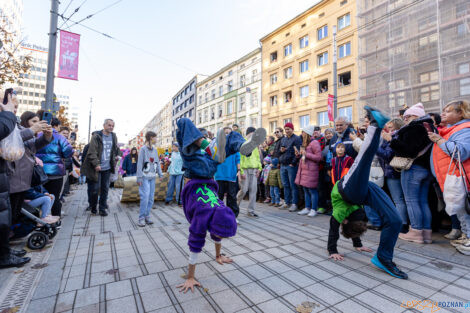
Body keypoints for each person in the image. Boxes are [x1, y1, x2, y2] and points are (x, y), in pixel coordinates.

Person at [175, 118, 265, 293]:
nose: (219, 236)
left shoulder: (218, 212)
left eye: (206, 139)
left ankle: (243, 146)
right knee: (185, 123)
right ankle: (231, 146)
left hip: (204, 169)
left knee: (227, 134)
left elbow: (211, 236)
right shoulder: (209, 215)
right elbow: (196, 245)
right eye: (203, 138)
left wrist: (217, 256)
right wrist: (190, 277)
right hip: (200, 171)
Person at [327, 106, 407, 280]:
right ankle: (383, 257)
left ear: (346, 220)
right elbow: (354, 229)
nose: (363, 217)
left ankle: (374, 124)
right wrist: (358, 245)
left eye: (360, 219)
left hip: (347, 189)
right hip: (365, 192)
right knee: (395, 220)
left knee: (364, 158)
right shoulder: (351, 217)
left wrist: (332, 250)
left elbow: (333, 229)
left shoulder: (340, 213)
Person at [428, 100, 470, 254]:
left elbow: (460, 151)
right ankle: (466, 236)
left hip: (462, 178)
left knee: (465, 209)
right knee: (461, 210)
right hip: (454, 178)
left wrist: (439, 140)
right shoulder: (452, 129)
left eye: (448, 111)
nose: (443, 113)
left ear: (460, 113)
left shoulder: (465, 129)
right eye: (443, 110)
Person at [391, 103, 434, 244]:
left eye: (406, 117)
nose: (405, 120)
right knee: (423, 201)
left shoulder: (414, 127)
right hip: (427, 169)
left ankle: (415, 232)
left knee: (411, 201)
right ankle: (426, 233)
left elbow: (408, 150)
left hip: (413, 168)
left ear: (415, 116)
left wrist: (391, 140)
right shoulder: (429, 127)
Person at [0, 89, 31, 268]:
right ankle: (3, 256)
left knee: (5, 217)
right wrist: (8, 114)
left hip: (5, 176)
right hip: (9, 177)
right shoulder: (7, 118)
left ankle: (4, 251)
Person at [9, 112, 52, 226]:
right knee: (11, 212)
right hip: (14, 177)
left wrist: (46, 137)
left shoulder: (25, 131)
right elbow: (13, 140)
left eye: (38, 121)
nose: (37, 124)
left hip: (24, 179)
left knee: (15, 212)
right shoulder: (17, 129)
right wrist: (32, 130)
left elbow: (33, 147)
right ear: (25, 121)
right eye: (34, 121)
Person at [81, 119, 121, 216]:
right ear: (104, 125)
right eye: (109, 125)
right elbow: (92, 152)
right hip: (96, 168)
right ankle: (93, 206)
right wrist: (96, 164)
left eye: (112, 126)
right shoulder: (97, 136)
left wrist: (118, 155)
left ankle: (102, 208)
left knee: (105, 189)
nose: (111, 127)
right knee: (95, 189)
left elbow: (116, 148)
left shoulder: (113, 136)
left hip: (107, 168)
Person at [36, 115, 73, 218]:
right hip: (55, 174)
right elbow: (68, 152)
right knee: (55, 197)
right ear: (56, 126)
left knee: (39, 197)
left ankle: (40, 220)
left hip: (38, 173)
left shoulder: (37, 135)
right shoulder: (60, 137)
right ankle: (55, 220)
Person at [376, 118, 408, 233]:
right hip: (392, 171)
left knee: (398, 199)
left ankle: (402, 224)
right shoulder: (394, 137)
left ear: (397, 128)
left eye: (390, 127)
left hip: (393, 172)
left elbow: (387, 155)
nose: (387, 129)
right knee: (399, 199)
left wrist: (375, 147)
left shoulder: (394, 137)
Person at [136, 131, 163, 226]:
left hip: (152, 177)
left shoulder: (155, 150)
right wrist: (139, 177)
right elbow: (139, 164)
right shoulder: (143, 149)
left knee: (151, 198)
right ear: (151, 138)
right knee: (145, 197)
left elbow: (157, 162)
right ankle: (141, 218)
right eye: (156, 137)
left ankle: (147, 216)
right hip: (144, 177)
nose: (157, 139)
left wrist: (160, 174)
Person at [295, 125, 322, 217]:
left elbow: (318, 157)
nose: (302, 134)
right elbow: (304, 157)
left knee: (312, 190)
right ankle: (307, 208)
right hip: (304, 170)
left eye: (303, 132)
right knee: (305, 190)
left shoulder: (314, 143)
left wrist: (306, 154)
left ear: (307, 133)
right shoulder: (305, 143)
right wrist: (299, 155)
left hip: (311, 170)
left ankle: (314, 209)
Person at [237, 127, 263, 217]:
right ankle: (234, 208)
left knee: (253, 191)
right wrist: (241, 171)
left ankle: (251, 211)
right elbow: (239, 158)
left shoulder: (255, 145)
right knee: (243, 190)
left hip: (254, 169)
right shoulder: (242, 142)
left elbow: (257, 157)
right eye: (253, 134)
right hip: (245, 169)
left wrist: (259, 169)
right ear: (249, 133)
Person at [279, 123, 302, 211]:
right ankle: (287, 202)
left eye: (288, 129)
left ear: (292, 129)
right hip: (283, 164)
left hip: (291, 165)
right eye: (286, 129)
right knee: (285, 185)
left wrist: (293, 163)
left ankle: (294, 203)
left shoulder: (296, 138)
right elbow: (280, 151)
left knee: (293, 185)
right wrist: (281, 151)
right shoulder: (284, 139)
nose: (287, 130)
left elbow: (298, 152)